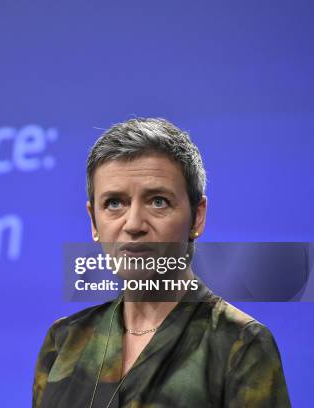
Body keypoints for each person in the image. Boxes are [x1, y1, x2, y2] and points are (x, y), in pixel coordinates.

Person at [32, 118, 290, 408]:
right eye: (114, 203)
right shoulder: (64, 341)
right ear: (94, 221)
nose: (134, 224)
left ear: (197, 216)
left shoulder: (241, 344)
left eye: (158, 201)